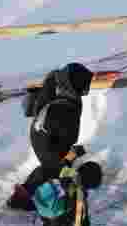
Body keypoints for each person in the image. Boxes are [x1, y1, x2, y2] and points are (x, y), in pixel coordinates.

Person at [7, 63, 94, 211]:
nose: (87, 89)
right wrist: (71, 155)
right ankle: (23, 199)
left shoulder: (63, 90)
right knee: (55, 169)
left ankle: (29, 194)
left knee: (52, 167)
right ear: (75, 84)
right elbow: (66, 139)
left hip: (43, 135)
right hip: (45, 138)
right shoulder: (66, 106)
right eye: (84, 85)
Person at [32, 159, 102, 226]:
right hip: (49, 208)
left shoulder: (69, 172)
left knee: (56, 217)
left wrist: (74, 153)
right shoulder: (78, 194)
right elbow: (77, 220)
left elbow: (65, 164)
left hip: (40, 198)